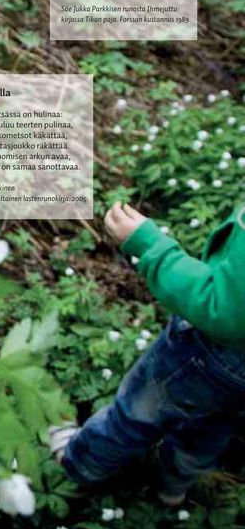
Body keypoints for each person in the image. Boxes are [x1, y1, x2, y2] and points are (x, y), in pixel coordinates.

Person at [50, 201, 245, 506]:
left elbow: (223, 309)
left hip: (211, 353)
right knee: (215, 423)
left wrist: (151, 247)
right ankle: (174, 484)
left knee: (137, 412)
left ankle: (79, 463)